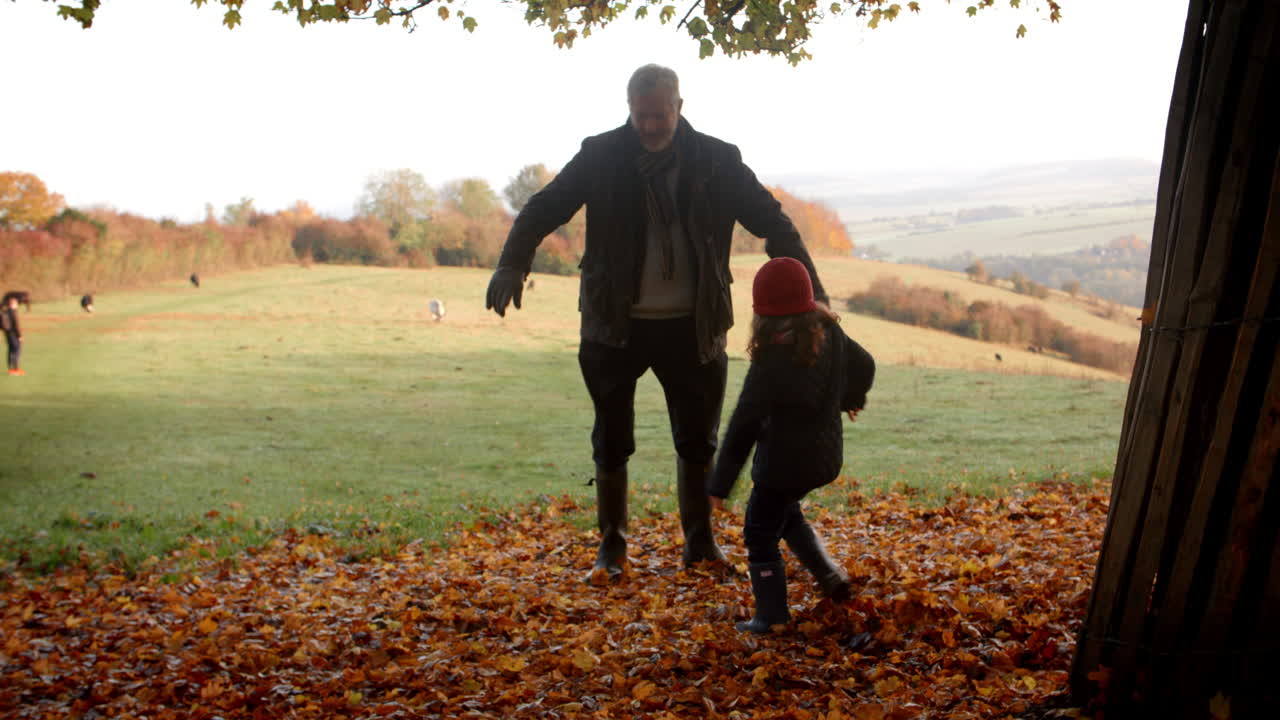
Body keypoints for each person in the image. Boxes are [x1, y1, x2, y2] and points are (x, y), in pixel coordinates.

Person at [485, 64, 830, 582]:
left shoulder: (717, 159)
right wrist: (513, 262)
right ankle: (612, 549)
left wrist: (814, 295)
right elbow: (544, 207)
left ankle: (699, 545)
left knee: (698, 441)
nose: (649, 126)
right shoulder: (600, 155)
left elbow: (773, 222)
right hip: (613, 325)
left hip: (694, 325)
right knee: (611, 438)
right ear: (629, 110)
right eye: (640, 116)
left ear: (679, 107)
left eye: (659, 115)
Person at [708, 257, 875, 633]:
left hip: (782, 466)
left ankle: (771, 617)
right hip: (825, 458)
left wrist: (719, 485)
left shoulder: (771, 359)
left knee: (759, 532)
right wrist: (850, 398)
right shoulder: (829, 331)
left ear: (762, 313)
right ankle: (830, 577)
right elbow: (865, 365)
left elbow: (744, 424)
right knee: (787, 514)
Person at [3, 293, 23, 376]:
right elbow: (16, 325)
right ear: (13, 304)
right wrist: (20, 336)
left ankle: (10, 368)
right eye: (16, 303)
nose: (17, 305)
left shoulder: (5, 311)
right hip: (13, 334)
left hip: (7, 333)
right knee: (17, 350)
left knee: (10, 350)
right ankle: (16, 369)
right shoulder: (13, 312)